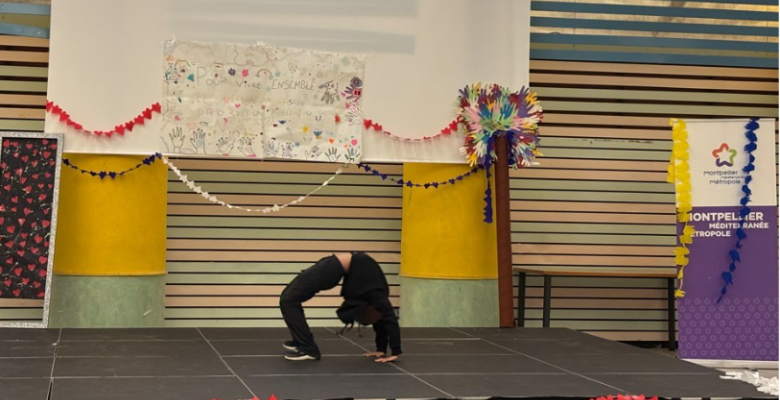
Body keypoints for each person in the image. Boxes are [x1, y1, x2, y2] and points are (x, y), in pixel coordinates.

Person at [280, 252, 402, 362]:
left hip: (333, 265)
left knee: (288, 300)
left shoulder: (374, 295)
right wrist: (394, 352)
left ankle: (305, 345)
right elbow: (389, 319)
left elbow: (381, 321)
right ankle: (305, 345)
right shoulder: (377, 295)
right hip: (333, 266)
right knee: (288, 300)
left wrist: (381, 349)